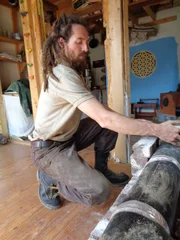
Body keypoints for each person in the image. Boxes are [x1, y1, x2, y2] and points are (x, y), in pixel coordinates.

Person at [30, 14, 180, 210]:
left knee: (109, 123)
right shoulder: (62, 74)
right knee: (100, 191)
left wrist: (145, 125)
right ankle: (49, 177)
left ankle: (102, 169)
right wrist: (157, 130)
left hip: (68, 137)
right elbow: (105, 118)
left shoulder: (72, 71)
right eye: (79, 42)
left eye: (87, 42)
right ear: (61, 43)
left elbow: (107, 114)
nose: (86, 48)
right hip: (48, 149)